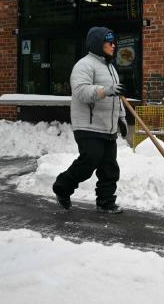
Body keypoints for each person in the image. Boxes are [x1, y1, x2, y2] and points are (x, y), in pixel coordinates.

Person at [52, 26, 128, 214]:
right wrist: (106, 90)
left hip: (107, 126)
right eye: (108, 41)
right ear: (97, 44)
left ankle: (106, 201)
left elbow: (117, 98)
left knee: (110, 167)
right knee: (89, 161)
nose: (113, 45)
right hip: (88, 125)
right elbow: (81, 92)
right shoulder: (84, 65)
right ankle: (62, 187)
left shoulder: (111, 67)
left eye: (113, 41)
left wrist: (122, 117)